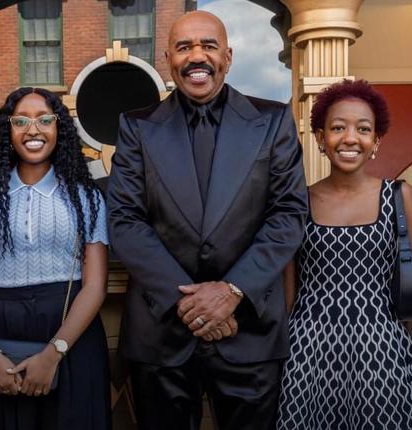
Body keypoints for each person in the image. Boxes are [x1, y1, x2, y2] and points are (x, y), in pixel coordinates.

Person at [107, 10, 309, 430]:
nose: (196, 56)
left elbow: (288, 214)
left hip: (249, 330)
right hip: (161, 333)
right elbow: (125, 219)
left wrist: (233, 291)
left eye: (208, 45)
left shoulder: (272, 122)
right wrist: (189, 303)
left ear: (229, 57)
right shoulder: (137, 127)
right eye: (184, 47)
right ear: (168, 58)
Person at [0, 87, 111, 430]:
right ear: (7, 131)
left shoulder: (86, 197)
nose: (33, 130)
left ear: (59, 129)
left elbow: (95, 285)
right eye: (21, 121)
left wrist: (53, 353)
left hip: (71, 334)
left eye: (45, 120)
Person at [278, 79, 412, 429]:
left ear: (376, 141)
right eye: (338, 128)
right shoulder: (298, 201)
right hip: (308, 349)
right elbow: (289, 291)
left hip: (382, 350)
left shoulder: (400, 197)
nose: (350, 138)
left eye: (363, 129)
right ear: (321, 139)